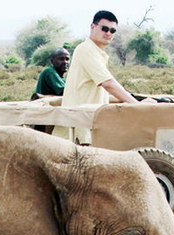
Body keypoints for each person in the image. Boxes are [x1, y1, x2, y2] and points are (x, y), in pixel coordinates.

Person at [53, 10, 139, 143]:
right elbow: (108, 84)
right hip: (77, 130)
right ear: (92, 27)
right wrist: (138, 105)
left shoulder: (99, 54)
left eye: (112, 30)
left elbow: (99, 93)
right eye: (104, 28)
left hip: (87, 127)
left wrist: (130, 99)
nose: (108, 33)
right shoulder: (86, 49)